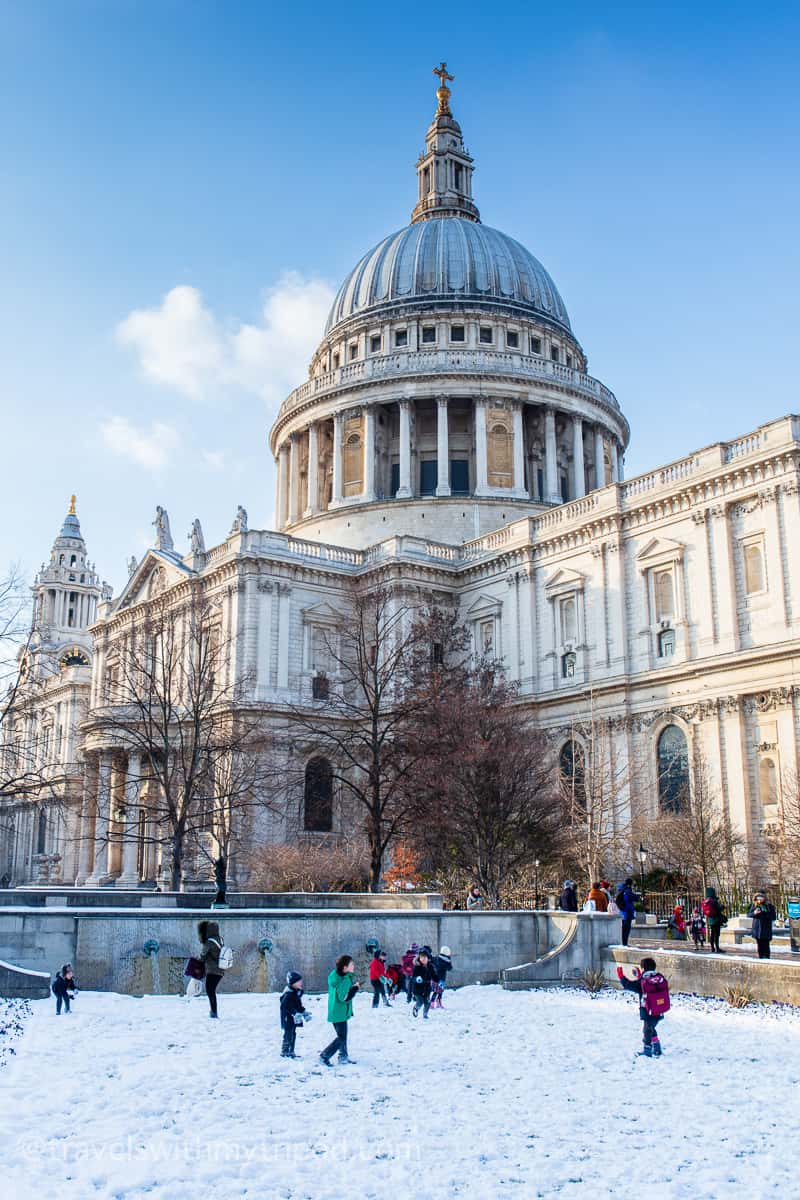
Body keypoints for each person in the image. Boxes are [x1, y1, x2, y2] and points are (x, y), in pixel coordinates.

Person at [616, 956, 670, 1058]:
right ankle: (657, 1048)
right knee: (651, 1027)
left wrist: (622, 977)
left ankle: (647, 1049)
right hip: (659, 1009)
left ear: (643, 968)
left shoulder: (643, 981)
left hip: (648, 1010)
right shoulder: (659, 978)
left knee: (646, 1030)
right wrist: (640, 976)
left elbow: (630, 985)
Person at [320, 954, 359, 1066]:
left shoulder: (335, 975)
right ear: (345, 968)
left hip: (335, 1011)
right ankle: (325, 1055)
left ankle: (343, 1056)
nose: (354, 965)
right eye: (352, 964)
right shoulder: (344, 980)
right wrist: (355, 989)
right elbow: (344, 997)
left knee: (342, 1035)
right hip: (340, 1012)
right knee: (341, 1037)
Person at [197, 919, 226, 1018]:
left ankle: (214, 1012)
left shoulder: (209, 942)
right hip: (221, 969)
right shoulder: (220, 939)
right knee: (211, 990)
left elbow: (203, 955)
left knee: (210, 990)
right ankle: (213, 1011)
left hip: (212, 970)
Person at [280, 970, 310, 1058]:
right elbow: (285, 1006)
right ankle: (285, 1051)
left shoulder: (296, 992)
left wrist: (304, 1012)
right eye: (299, 981)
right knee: (288, 1034)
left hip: (293, 1018)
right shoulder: (288, 994)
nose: (301, 982)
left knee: (293, 1033)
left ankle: (291, 1051)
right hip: (288, 1017)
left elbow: (298, 1005)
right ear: (293, 983)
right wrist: (294, 1013)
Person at [748, 891, 778, 959]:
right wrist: (755, 913)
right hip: (757, 929)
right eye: (758, 897)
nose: (760, 899)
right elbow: (749, 914)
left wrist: (765, 914)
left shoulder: (769, 906)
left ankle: (767, 957)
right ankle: (761, 957)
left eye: (761, 897)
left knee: (766, 945)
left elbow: (773, 917)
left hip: (766, 928)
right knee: (759, 945)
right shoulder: (755, 905)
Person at [410, 947, 435, 1019]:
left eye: (425, 957)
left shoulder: (430, 966)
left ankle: (425, 1014)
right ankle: (416, 1008)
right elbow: (413, 978)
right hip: (417, 989)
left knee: (427, 1002)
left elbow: (434, 975)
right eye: (422, 957)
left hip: (427, 988)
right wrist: (416, 978)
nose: (423, 959)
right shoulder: (417, 967)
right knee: (420, 1001)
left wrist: (437, 981)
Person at [702, 887, 727, 953]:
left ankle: (712, 948)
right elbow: (718, 909)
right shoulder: (713, 901)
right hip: (716, 920)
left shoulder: (706, 901)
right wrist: (723, 907)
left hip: (710, 920)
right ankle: (717, 948)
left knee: (712, 934)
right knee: (716, 935)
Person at [616, 879, 638, 946]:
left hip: (622, 912)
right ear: (630, 884)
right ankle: (624, 943)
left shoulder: (621, 890)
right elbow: (634, 898)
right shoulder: (627, 890)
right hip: (627, 912)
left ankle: (623, 942)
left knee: (623, 928)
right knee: (626, 929)